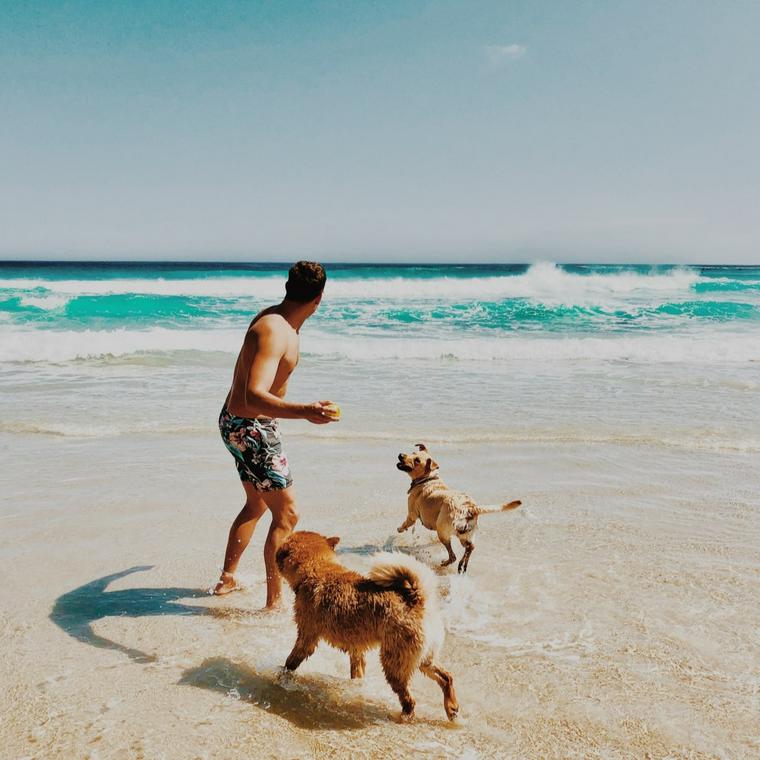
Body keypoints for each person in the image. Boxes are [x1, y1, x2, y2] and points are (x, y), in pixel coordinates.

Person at [214, 261, 337, 608]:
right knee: (287, 515)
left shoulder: (277, 320)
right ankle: (274, 603)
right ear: (319, 298)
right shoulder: (276, 330)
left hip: (237, 424)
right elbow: (254, 394)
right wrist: (306, 411)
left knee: (256, 503)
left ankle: (227, 579)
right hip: (250, 427)